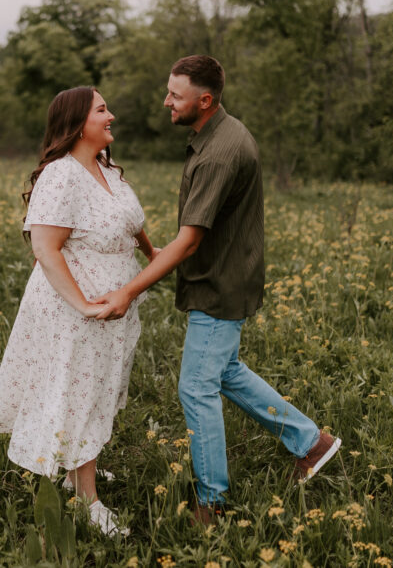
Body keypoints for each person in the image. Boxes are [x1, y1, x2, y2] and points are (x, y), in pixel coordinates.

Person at [95, 55, 340, 524]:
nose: (166, 101)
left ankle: (212, 503)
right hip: (228, 275)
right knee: (226, 372)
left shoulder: (220, 152)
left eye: (175, 95)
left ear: (204, 101)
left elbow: (189, 240)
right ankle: (312, 443)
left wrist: (127, 292)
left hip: (220, 284)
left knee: (196, 388)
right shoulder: (218, 135)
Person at [0, 86, 156, 538]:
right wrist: (81, 304)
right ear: (78, 122)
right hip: (74, 308)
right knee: (77, 388)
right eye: (102, 110)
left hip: (112, 306)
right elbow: (45, 248)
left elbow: (131, 223)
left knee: (96, 387)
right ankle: (86, 501)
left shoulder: (106, 169)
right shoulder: (61, 175)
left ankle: (79, 471)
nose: (111, 115)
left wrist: (155, 257)